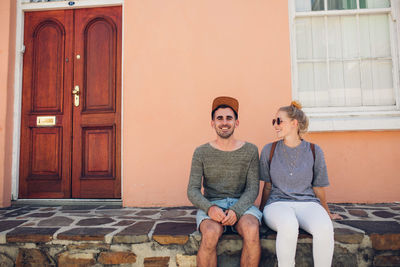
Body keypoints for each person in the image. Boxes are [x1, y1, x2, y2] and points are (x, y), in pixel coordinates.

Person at [259, 101, 342, 267]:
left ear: (294, 123)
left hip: (308, 203)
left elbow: (318, 186)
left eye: (279, 121)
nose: (275, 125)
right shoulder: (269, 150)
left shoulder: (314, 150)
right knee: (289, 226)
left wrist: (327, 212)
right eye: (274, 121)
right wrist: (261, 212)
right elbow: (267, 186)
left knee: (324, 228)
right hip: (277, 204)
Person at [187, 96, 262, 267]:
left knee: (251, 230)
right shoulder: (201, 152)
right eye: (219, 118)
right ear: (212, 123)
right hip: (213, 205)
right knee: (211, 234)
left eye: (229, 118)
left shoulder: (250, 150)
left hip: (242, 205)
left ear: (236, 122)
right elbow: (192, 189)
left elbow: (252, 189)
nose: (224, 122)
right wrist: (210, 208)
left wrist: (236, 210)